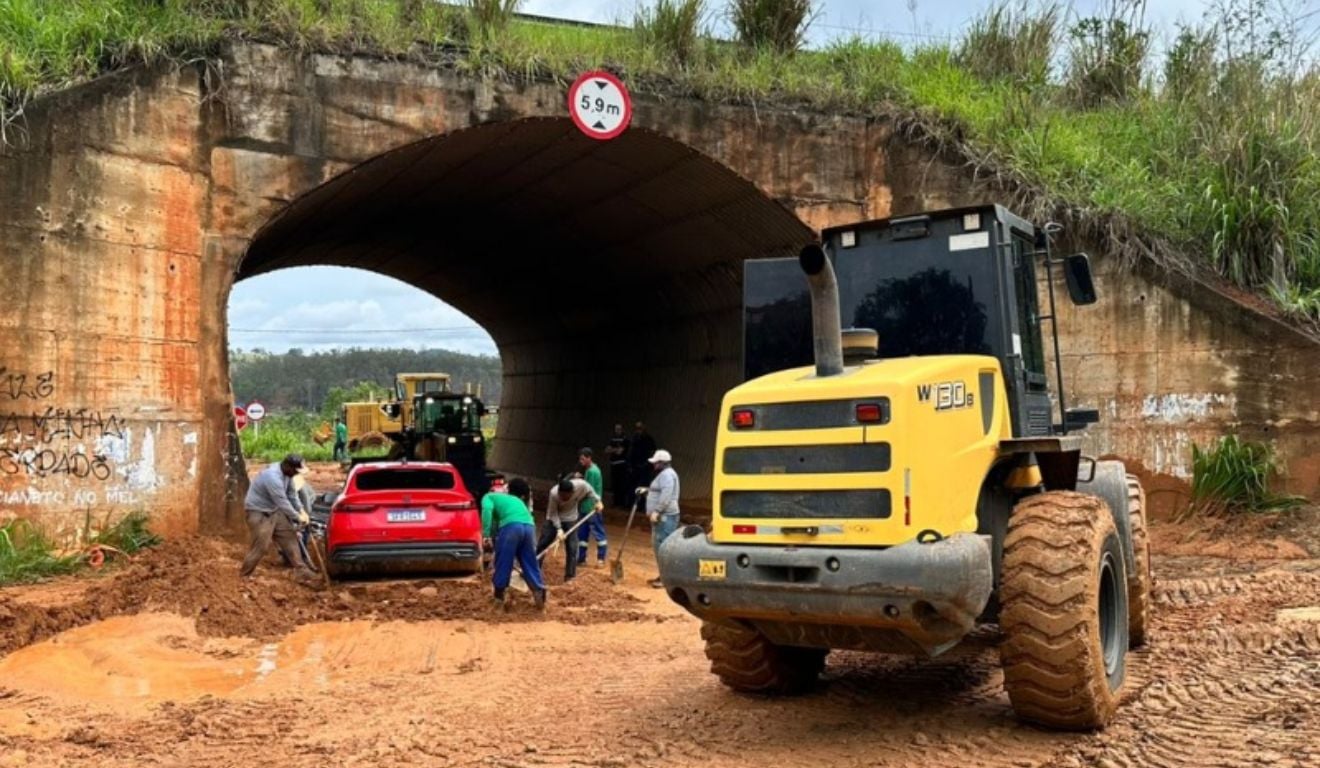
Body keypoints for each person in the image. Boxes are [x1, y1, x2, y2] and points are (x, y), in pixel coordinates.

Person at [239, 453, 319, 586]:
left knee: (289, 537)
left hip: (274, 510)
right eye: (295, 470)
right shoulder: (273, 478)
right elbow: (283, 502)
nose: (296, 474)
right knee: (261, 547)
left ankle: (302, 571)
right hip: (259, 512)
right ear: (288, 466)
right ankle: (244, 575)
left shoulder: (288, 475)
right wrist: (297, 517)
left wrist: (301, 510)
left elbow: (292, 495)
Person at [482, 477, 547, 610]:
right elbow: (497, 524)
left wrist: (486, 535)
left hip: (511, 526)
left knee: (503, 561)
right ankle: (538, 590)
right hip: (529, 526)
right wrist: (494, 535)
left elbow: (487, 511)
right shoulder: (517, 501)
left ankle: (499, 596)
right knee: (530, 561)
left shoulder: (488, 497)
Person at [540, 477, 603, 583]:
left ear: (572, 493)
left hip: (570, 519)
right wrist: (559, 529)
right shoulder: (554, 493)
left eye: (566, 496)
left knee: (572, 547)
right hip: (553, 519)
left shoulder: (581, 486)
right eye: (562, 495)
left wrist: (598, 501)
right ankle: (533, 570)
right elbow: (552, 513)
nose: (563, 498)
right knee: (543, 543)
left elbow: (590, 490)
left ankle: (570, 577)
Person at [639, 449, 680, 588]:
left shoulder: (667, 475)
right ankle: (663, 576)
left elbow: (666, 495)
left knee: (663, 547)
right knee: (659, 546)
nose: (654, 465)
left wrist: (657, 511)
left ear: (662, 463)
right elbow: (660, 491)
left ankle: (666, 579)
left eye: (656, 463)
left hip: (665, 516)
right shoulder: (665, 474)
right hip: (663, 515)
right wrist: (648, 491)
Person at [575, 448, 608, 567]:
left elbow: (589, 490)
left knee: (598, 533)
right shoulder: (589, 471)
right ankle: (582, 558)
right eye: (580, 459)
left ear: (589, 457)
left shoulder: (593, 472)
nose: (581, 461)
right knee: (582, 535)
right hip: (585, 508)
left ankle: (601, 559)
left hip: (592, 508)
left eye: (583, 459)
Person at [606, 423, 631, 508]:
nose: (617, 431)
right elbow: (607, 450)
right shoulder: (613, 439)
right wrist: (615, 450)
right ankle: (615, 503)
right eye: (616, 429)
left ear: (622, 429)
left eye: (619, 429)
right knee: (614, 484)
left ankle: (621, 504)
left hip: (622, 464)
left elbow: (620, 451)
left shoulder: (625, 439)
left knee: (622, 484)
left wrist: (613, 450)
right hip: (613, 464)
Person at [628, 421, 657, 493]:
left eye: (640, 428)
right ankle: (633, 502)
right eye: (637, 428)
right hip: (635, 466)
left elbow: (653, 452)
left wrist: (648, 463)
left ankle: (642, 503)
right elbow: (631, 452)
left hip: (645, 466)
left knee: (644, 486)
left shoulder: (649, 439)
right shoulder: (634, 439)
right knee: (633, 486)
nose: (638, 430)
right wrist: (630, 465)